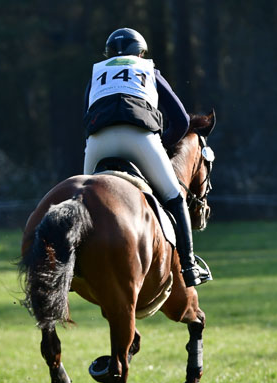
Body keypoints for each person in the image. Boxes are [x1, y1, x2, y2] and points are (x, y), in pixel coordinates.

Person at [83, 27, 208, 288]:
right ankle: (188, 266)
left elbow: (86, 115)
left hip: (98, 142)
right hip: (139, 138)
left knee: (83, 201)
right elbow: (182, 120)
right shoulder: (148, 70)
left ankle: (75, 267)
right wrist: (162, 144)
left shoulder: (96, 75)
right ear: (140, 52)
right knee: (174, 196)